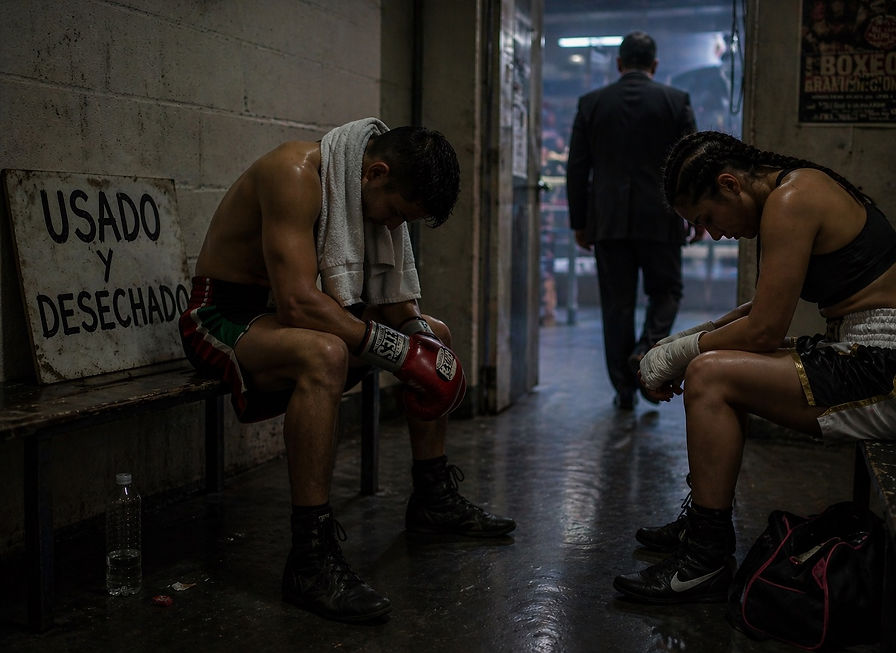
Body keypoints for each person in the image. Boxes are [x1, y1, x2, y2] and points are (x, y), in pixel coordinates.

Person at [179, 118, 515, 623]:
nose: (393, 229)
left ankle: (432, 498)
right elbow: (297, 303)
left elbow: (396, 305)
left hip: (286, 315)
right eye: (397, 213)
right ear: (374, 173)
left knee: (436, 336)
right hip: (225, 317)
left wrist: (418, 338)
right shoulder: (292, 173)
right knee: (326, 354)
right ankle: (309, 557)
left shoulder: (363, 189)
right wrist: (397, 352)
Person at [613, 130, 896, 604]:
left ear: (730, 185)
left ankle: (705, 557)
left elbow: (764, 330)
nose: (715, 233)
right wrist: (683, 341)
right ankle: (703, 526)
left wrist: (679, 356)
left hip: (893, 373)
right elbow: (758, 308)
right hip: (878, 361)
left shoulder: (791, 199)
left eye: (707, 219)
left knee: (711, 374)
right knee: (721, 362)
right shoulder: (794, 191)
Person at [566, 31, 700, 410]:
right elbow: (691, 163)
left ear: (619, 64)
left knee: (616, 305)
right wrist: (692, 212)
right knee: (667, 292)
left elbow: (578, 169)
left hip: (608, 223)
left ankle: (624, 389)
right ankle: (646, 351)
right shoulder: (675, 101)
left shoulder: (591, 104)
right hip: (661, 218)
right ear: (654, 65)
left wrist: (581, 221)